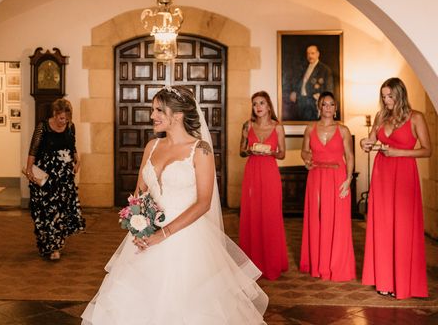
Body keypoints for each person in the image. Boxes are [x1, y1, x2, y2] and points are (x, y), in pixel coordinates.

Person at [82, 86, 267, 324]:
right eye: (153, 110)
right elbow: (140, 194)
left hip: (184, 239)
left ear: (177, 115)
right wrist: (138, 228)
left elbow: (203, 203)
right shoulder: (152, 146)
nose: (152, 116)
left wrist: (163, 234)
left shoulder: (200, 150)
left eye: (159, 110)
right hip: (145, 238)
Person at [360, 77, 430, 299]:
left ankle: (403, 282)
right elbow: (371, 140)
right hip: (382, 175)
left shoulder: (416, 117)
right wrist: (365, 143)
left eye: (390, 96)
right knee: (382, 226)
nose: (386, 100)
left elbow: (427, 150)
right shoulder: (381, 116)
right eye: (383, 96)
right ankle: (384, 279)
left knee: (402, 228)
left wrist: (400, 152)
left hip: (404, 176)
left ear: (400, 94)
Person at [299, 91, 355, 281]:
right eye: (325, 104)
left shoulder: (343, 130)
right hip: (316, 176)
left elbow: (349, 156)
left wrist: (348, 180)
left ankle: (336, 265)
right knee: (317, 219)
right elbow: (304, 151)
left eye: (331, 104)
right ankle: (318, 264)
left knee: (337, 220)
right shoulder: (310, 128)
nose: (328, 108)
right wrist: (307, 160)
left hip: (338, 176)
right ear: (319, 107)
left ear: (336, 108)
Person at [25, 98, 85, 260]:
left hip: (64, 176)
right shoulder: (42, 127)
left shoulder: (71, 127)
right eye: (60, 118)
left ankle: (55, 246)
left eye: (66, 119)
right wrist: (29, 169)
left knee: (61, 211)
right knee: (46, 211)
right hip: (45, 175)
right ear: (54, 114)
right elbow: (33, 149)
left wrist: (77, 160)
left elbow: (72, 146)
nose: (63, 122)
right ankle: (48, 243)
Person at [239, 91, 288, 280]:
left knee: (270, 215)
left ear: (269, 106)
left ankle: (272, 263)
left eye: (261, 103)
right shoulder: (247, 125)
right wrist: (250, 150)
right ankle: (251, 263)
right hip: (252, 172)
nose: (258, 107)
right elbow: (241, 151)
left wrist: (272, 153)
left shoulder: (278, 128)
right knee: (252, 214)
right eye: (255, 104)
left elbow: (282, 154)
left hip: (269, 173)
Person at [289, 45, 334, 121]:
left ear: (318, 54)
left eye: (312, 53)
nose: (310, 56)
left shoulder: (325, 70)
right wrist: (294, 91)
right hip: (300, 102)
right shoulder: (304, 67)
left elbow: (329, 91)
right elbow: (300, 83)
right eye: (308, 53)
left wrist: (322, 100)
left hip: (313, 105)